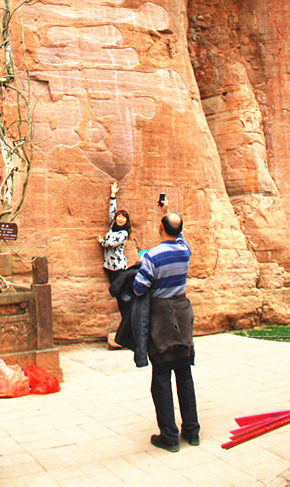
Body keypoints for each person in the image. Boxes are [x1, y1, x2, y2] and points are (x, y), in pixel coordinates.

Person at [133, 198, 200, 453]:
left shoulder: (152, 256)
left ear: (160, 229)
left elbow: (140, 286)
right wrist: (168, 212)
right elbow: (179, 235)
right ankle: (192, 431)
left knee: (161, 377)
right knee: (184, 373)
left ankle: (169, 436)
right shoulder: (184, 250)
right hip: (182, 313)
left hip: (161, 316)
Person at [97, 181, 131, 315]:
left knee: (122, 294)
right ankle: (125, 316)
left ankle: (127, 315)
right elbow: (112, 212)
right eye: (119, 217)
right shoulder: (113, 226)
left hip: (119, 268)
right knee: (117, 294)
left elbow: (111, 243)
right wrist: (112, 195)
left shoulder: (123, 233)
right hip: (110, 267)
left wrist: (102, 242)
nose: (120, 219)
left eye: (124, 218)